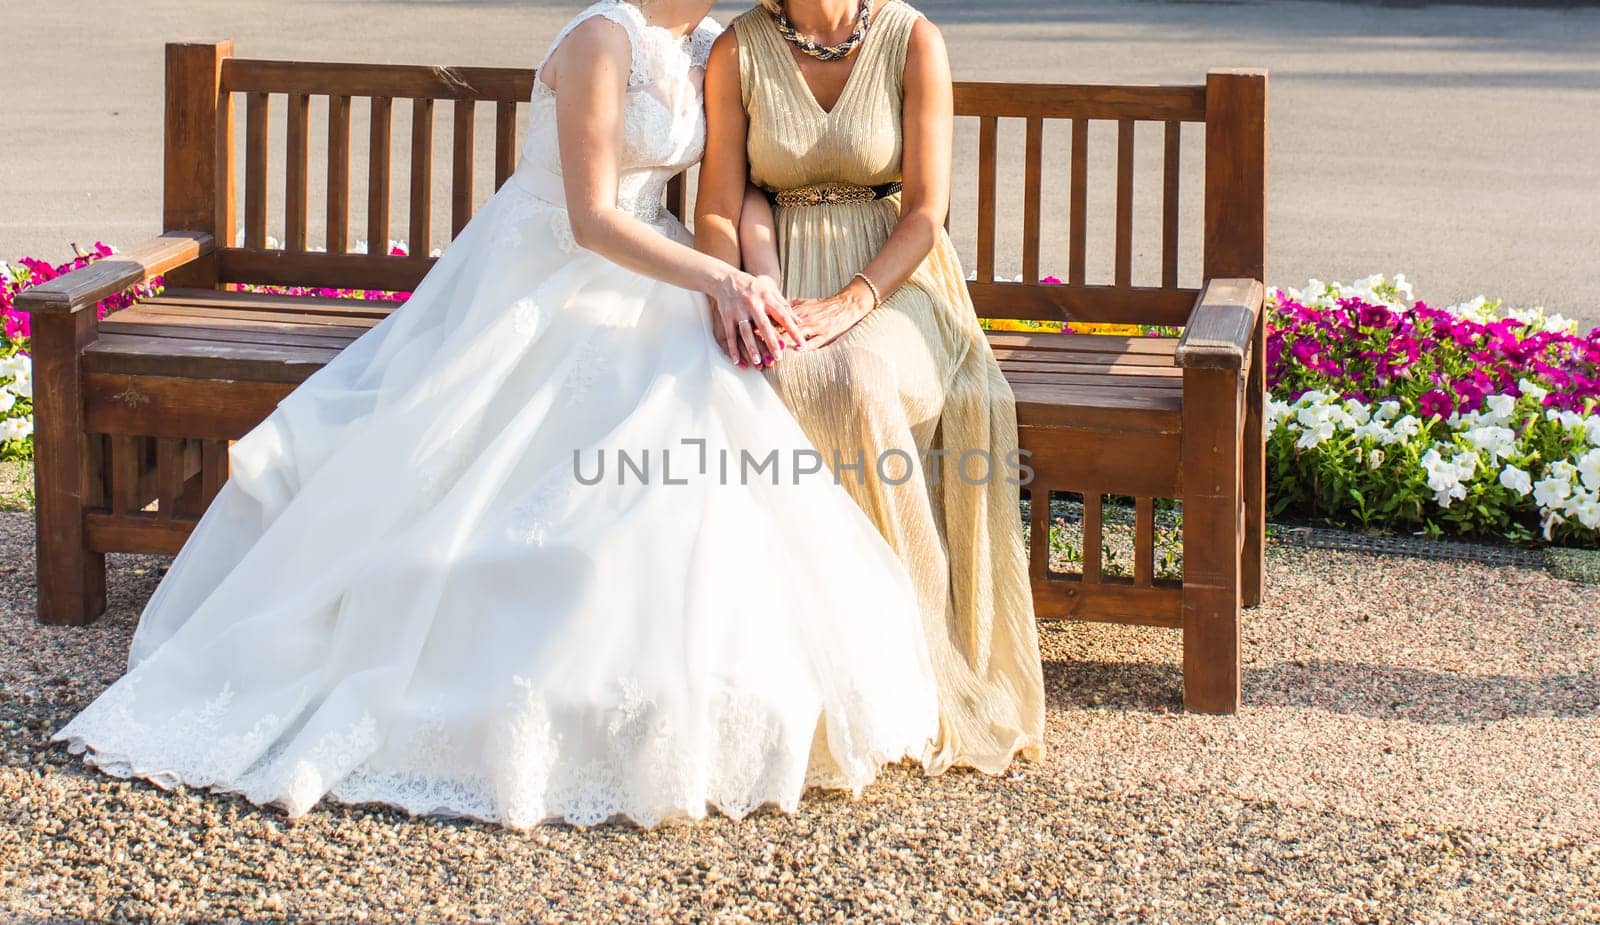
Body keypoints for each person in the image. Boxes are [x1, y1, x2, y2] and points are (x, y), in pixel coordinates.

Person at [53, 0, 943, 829]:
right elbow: (591, 216)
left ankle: (692, 670)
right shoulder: (605, 36)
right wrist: (719, 278)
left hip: (657, 270)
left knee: (702, 406)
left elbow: (733, 189)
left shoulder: (708, 47)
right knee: (512, 447)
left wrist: (754, 273)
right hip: (544, 271)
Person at [697, 0, 1046, 775]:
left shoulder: (913, 40)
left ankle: (916, 667)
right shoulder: (738, 51)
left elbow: (926, 211)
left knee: (854, 378)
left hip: (897, 287)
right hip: (780, 279)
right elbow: (719, 208)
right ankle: (810, 666)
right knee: (782, 375)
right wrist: (741, 291)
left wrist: (857, 298)